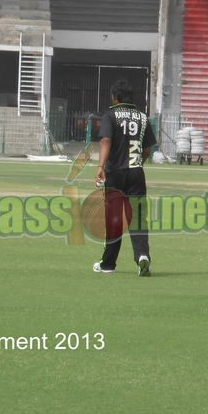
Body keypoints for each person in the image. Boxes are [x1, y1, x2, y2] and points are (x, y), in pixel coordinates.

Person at [93, 79, 157, 276]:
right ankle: (142, 257)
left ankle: (108, 264)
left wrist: (100, 166)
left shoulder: (110, 115)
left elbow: (106, 140)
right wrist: (137, 165)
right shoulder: (143, 117)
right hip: (136, 172)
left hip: (115, 173)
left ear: (115, 97)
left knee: (114, 219)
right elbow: (147, 149)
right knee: (138, 217)